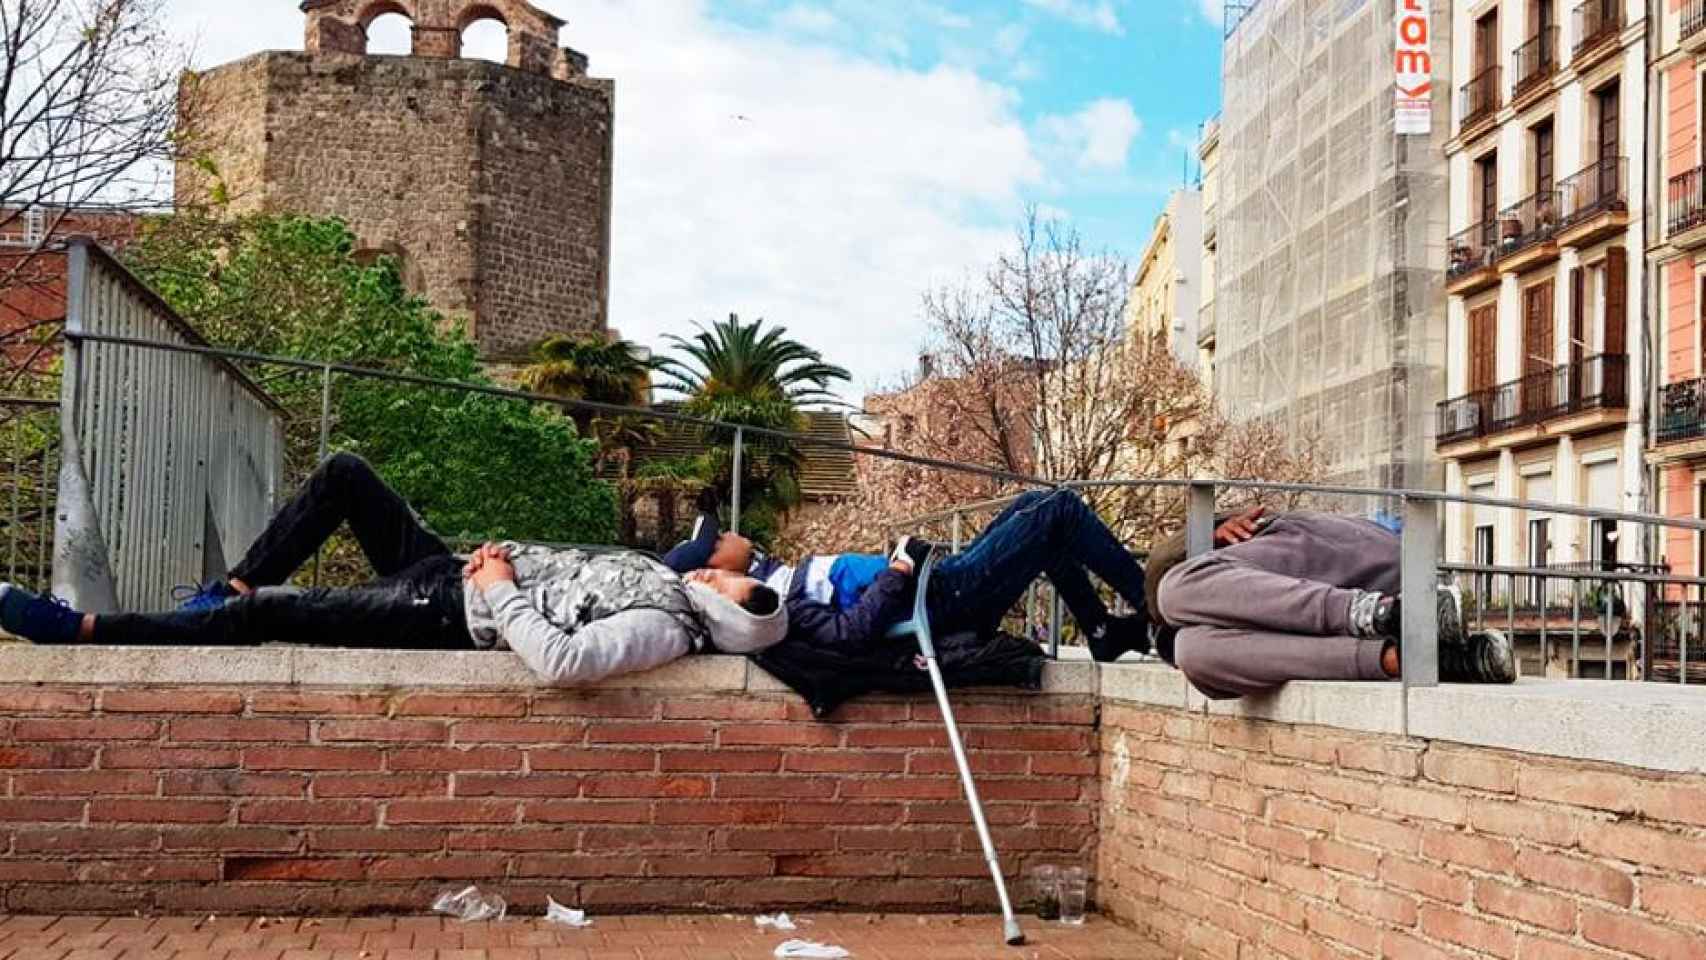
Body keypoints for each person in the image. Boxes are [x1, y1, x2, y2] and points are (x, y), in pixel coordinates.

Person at [0, 454, 787, 685]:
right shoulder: (670, 581)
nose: (711, 576)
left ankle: (80, 630)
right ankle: (226, 585)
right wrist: (501, 560)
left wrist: (500, 590)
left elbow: (566, 663)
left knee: (272, 617)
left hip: (445, 613)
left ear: (726, 613)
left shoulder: (666, 628)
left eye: (724, 584)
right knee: (346, 475)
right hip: (446, 569)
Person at [664, 488, 1149, 662]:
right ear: (713, 569)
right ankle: (1157, 607)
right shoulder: (776, 603)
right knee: (1057, 509)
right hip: (943, 598)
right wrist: (899, 567)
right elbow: (849, 634)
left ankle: (1102, 630)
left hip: (939, 584)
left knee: (1035, 513)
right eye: (719, 537)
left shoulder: (777, 579)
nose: (729, 532)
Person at [1144, 506, 1516, 699]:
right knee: (1193, 653)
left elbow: (1178, 581)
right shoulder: (1206, 626)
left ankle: (1390, 612)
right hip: (1369, 622)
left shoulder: (1268, 539)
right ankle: (1435, 658)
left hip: (1377, 576)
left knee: (1174, 590)